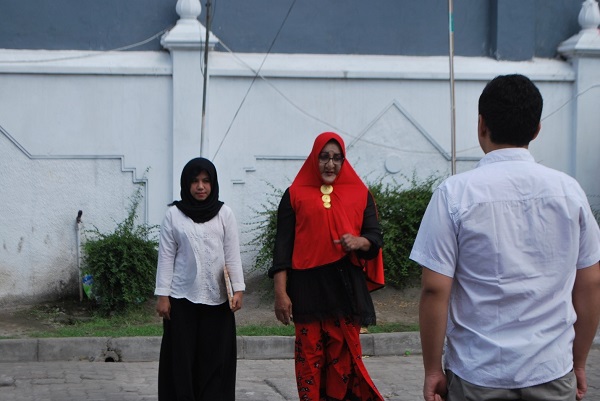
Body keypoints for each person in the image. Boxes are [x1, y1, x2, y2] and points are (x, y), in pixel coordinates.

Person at [410, 74, 600, 401]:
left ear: (481, 124)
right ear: (536, 129)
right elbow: (591, 283)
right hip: (551, 369)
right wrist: (578, 362)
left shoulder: (454, 194)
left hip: (477, 373)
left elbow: (434, 289)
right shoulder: (570, 193)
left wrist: (432, 370)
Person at [269, 131, 386, 401]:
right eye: (324, 157)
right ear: (314, 158)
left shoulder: (360, 193)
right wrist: (280, 293)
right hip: (307, 289)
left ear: (344, 160)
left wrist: (358, 241)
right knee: (309, 358)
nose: (330, 164)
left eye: (336, 158)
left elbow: (375, 238)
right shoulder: (294, 194)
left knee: (343, 360)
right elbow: (282, 248)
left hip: (345, 288)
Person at [154, 157, 245, 401]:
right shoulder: (173, 215)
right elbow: (166, 258)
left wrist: (238, 290)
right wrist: (163, 296)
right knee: (181, 360)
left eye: (206, 180)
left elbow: (232, 254)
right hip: (182, 299)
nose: (200, 186)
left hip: (218, 301)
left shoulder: (225, 214)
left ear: (213, 183)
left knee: (216, 360)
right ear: (186, 184)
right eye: (194, 181)